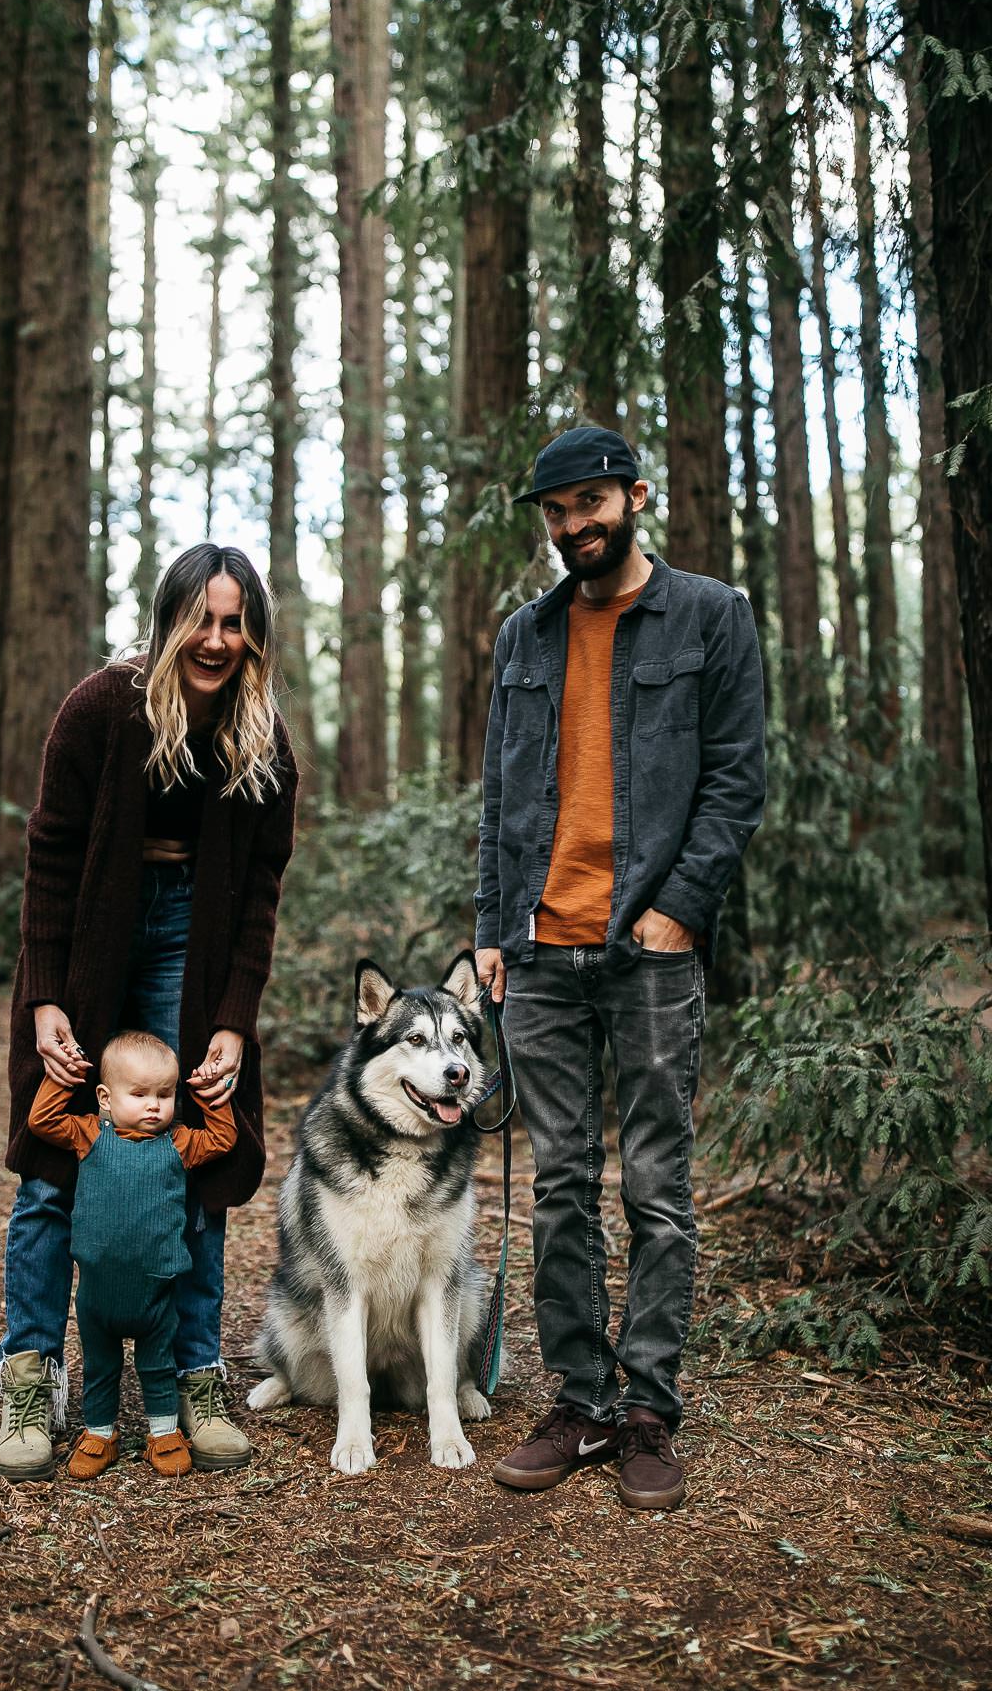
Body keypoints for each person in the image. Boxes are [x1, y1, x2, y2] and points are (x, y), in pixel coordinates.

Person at [475, 426, 764, 1510]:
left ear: (635, 497)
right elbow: (503, 799)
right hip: (542, 950)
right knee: (559, 1188)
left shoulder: (710, 616)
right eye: (555, 511)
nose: (572, 527)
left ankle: (649, 1410)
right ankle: (581, 1403)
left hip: (649, 949)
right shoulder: (525, 637)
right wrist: (493, 931)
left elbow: (737, 780)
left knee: (656, 1187)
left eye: (589, 503)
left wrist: (680, 914)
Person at [0, 543, 298, 1482]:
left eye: (235, 621)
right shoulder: (101, 708)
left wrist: (233, 1019)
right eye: (201, 618)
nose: (216, 639)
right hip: (91, 941)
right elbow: (48, 856)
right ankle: (32, 1375)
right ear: (168, 620)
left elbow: (258, 894)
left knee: (194, 1142)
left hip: (191, 946)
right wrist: (46, 995)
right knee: (56, 1156)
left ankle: (194, 1372)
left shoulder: (262, 740)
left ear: (255, 633)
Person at [27, 1031, 238, 1478]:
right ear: (104, 1097)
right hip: (97, 1296)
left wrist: (209, 1095)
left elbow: (222, 1140)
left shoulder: (178, 1142)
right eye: (139, 1094)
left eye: (165, 1094)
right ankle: (100, 1434)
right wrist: (64, 1080)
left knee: (158, 1363)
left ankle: (163, 1433)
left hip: (157, 1294)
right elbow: (42, 1121)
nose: (153, 1105)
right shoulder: (88, 1134)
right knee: (100, 1366)